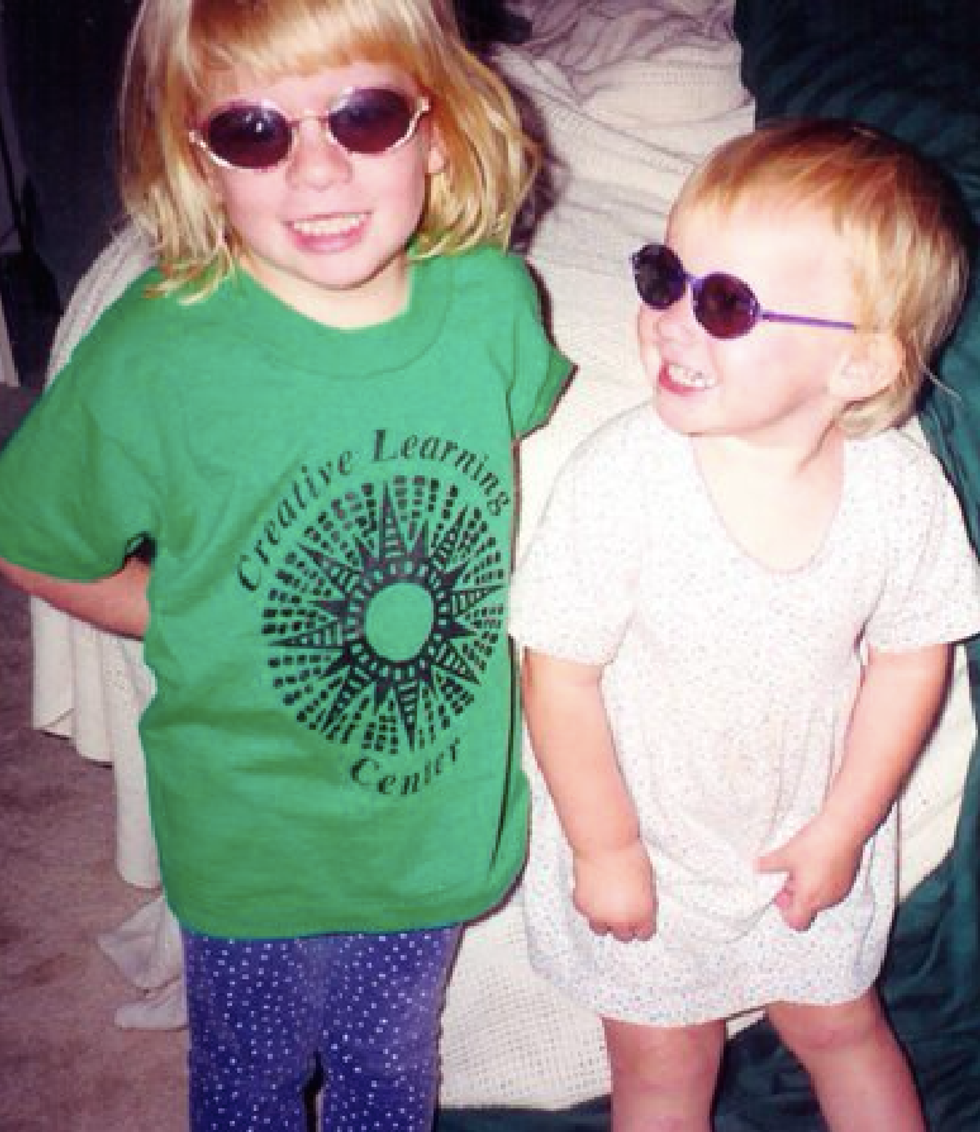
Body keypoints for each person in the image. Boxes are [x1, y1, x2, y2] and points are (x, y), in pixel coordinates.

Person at [0, 0, 570, 1128]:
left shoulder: (493, 306)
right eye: (253, 130)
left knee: (389, 1066)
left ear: (438, 130)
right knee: (250, 1079)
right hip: (251, 828)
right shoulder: (157, 354)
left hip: (433, 824)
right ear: (196, 160)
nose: (316, 171)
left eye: (363, 116)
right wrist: (174, 609)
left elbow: (488, 471)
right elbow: (32, 540)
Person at [508, 119, 980, 1132]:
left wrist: (844, 826)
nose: (673, 321)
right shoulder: (622, 479)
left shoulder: (897, 493)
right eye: (664, 277)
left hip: (805, 833)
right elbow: (557, 672)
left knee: (840, 1028)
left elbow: (913, 661)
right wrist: (605, 847)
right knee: (661, 1064)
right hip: (651, 838)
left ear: (858, 363)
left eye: (725, 303)